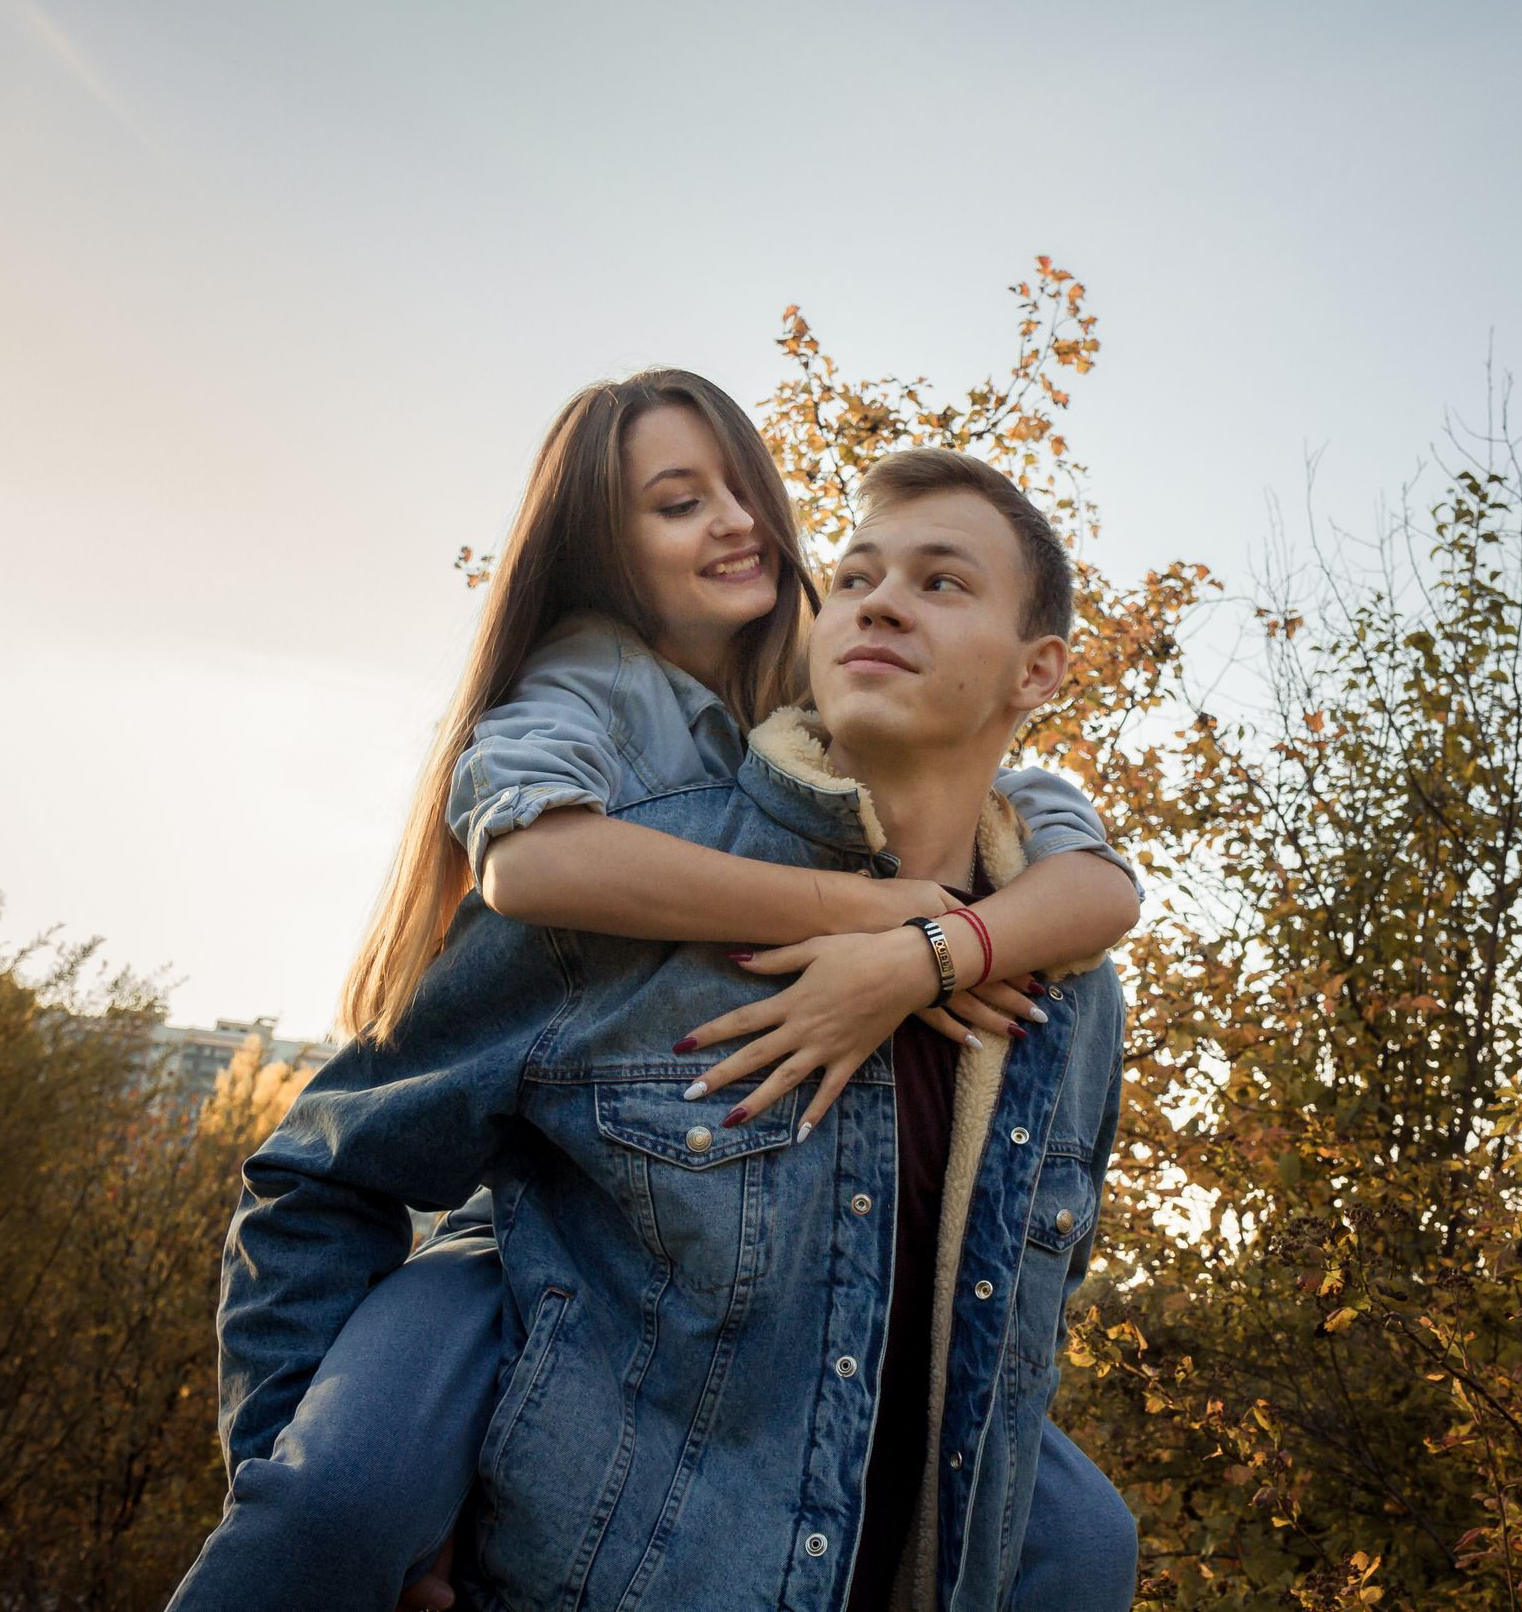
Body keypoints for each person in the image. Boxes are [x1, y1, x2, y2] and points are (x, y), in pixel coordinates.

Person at [167, 377, 1138, 1611]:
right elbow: (330, 1162)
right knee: (343, 1486)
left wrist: (931, 950)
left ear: (1038, 670)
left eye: (940, 581)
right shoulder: (621, 816)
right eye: (855, 575)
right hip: (550, 1432)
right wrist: (357, 1513)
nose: (877, 598)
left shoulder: (1064, 986)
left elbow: (1095, 882)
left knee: (1093, 1542)